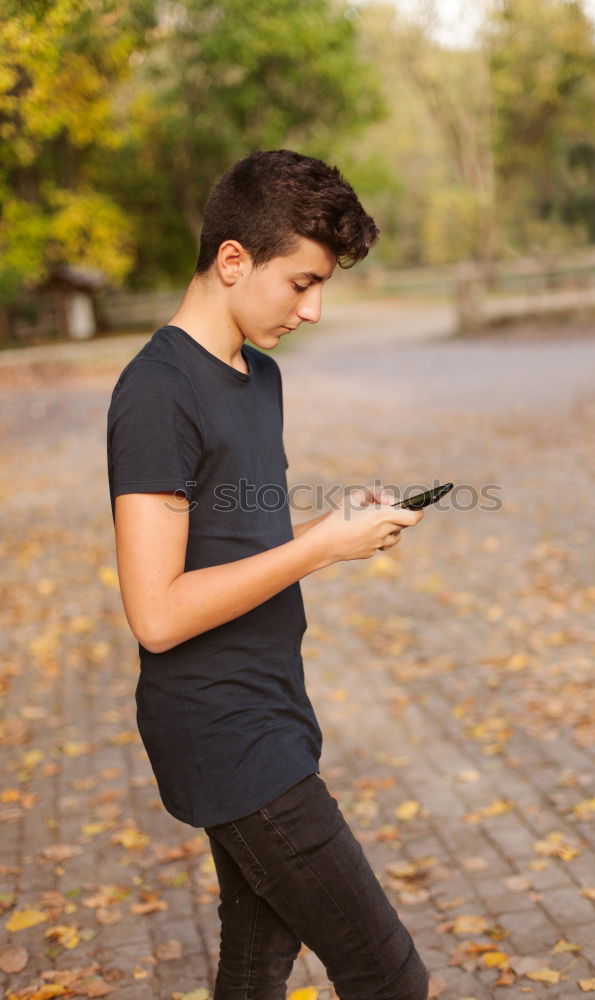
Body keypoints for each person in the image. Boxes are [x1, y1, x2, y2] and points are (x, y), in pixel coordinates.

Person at [107, 149, 429, 1000]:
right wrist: (320, 546)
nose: (314, 309)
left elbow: (230, 546)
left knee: (255, 966)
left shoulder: (260, 377)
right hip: (223, 733)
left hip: (275, 709)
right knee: (389, 977)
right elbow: (158, 614)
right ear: (232, 260)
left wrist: (336, 526)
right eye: (301, 283)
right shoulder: (156, 393)